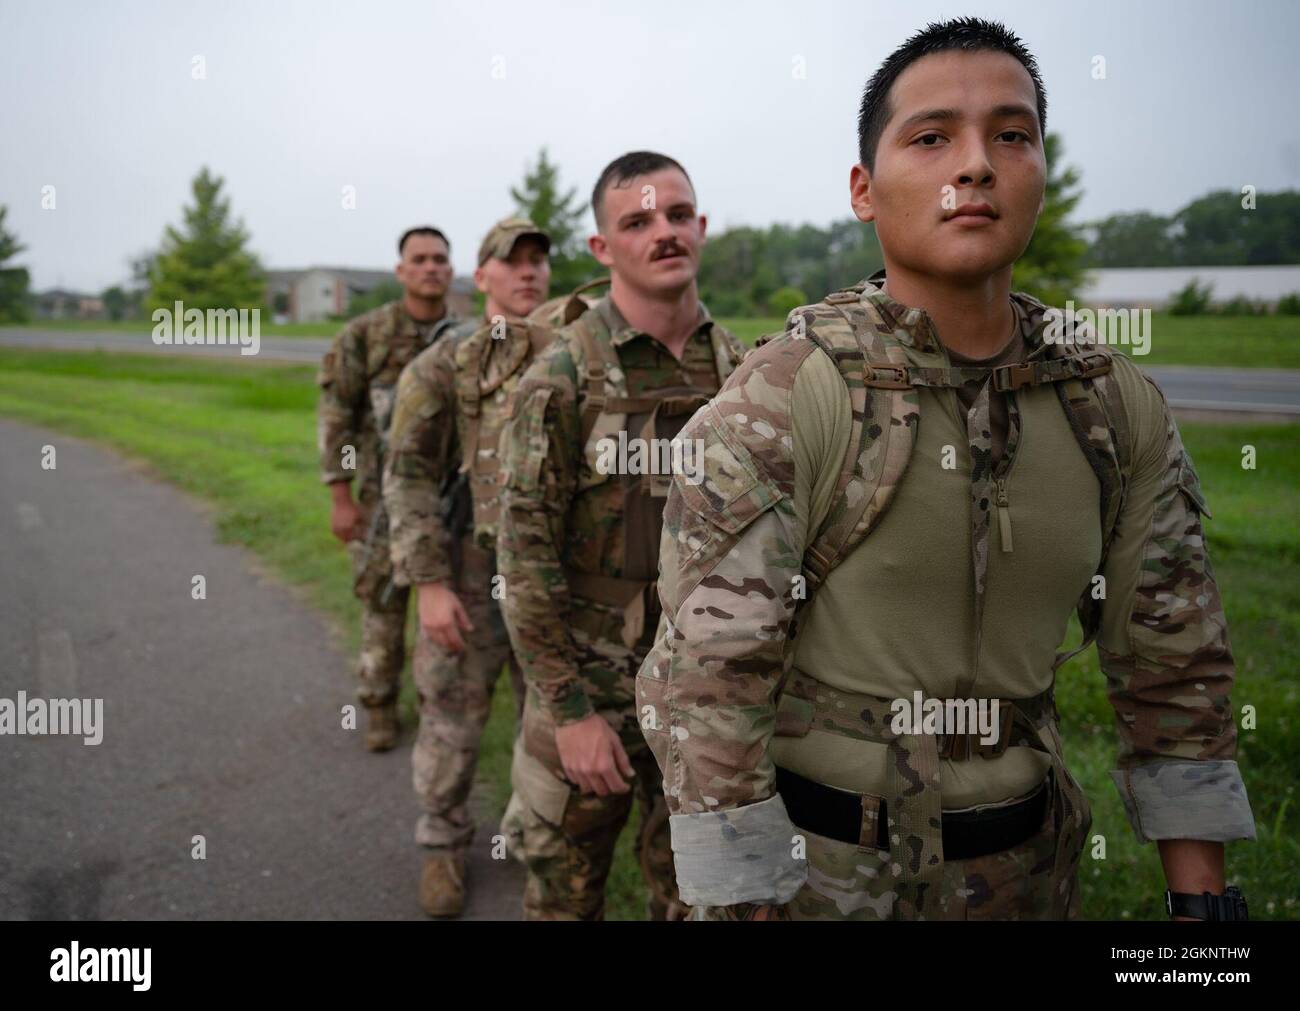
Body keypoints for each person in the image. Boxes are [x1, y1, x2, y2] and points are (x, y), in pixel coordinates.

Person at [637, 17, 1256, 921]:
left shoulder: (1111, 405)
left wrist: (1201, 917)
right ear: (864, 188)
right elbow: (708, 686)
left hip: (1030, 874)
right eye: (931, 138)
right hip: (822, 880)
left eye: (1012, 135)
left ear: (1041, 170)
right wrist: (742, 902)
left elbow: (1173, 665)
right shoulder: (786, 397)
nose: (975, 165)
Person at [495, 151, 746, 920]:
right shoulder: (559, 378)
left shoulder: (745, 370)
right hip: (590, 691)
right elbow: (524, 558)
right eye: (637, 221)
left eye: (676, 215)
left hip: (710, 699)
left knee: (705, 900)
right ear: (603, 248)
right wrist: (569, 712)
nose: (663, 233)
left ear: (701, 228)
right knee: (565, 900)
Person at [383, 217, 554, 916]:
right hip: (469, 569)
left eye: (539, 260)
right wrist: (427, 583)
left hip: (552, 580)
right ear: (480, 276)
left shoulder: (576, 353)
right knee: (453, 716)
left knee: (547, 719)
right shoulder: (443, 363)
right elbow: (410, 473)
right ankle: (442, 841)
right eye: (510, 262)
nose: (528, 272)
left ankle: (535, 834)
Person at [316, 226, 463, 751]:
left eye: (439, 259)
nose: (430, 267)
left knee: (441, 616)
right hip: (379, 505)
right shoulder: (365, 336)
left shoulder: (463, 338)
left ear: (450, 269)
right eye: (419, 259)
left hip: (444, 506)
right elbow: (336, 417)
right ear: (401, 271)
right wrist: (340, 495)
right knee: (381, 607)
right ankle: (378, 704)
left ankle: (435, 710)